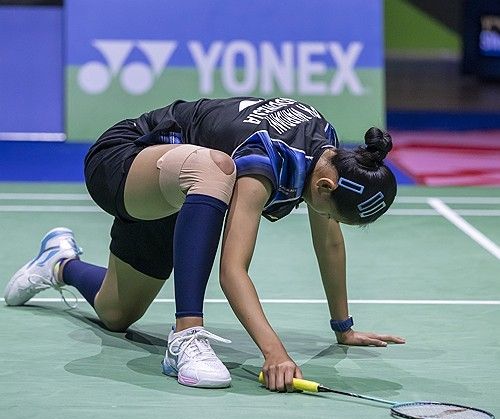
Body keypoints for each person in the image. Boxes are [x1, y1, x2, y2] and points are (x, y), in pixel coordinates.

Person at [4, 96, 405, 392]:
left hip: (182, 194)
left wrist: (343, 328)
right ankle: (187, 335)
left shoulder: (328, 155)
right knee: (216, 168)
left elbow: (329, 244)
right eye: (334, 214)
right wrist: (274, 352)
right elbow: (232, 271)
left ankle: (59, 262)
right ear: (325, 186)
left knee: (116, 313)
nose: (330, 221)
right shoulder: (265, 161)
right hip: (126, 159)